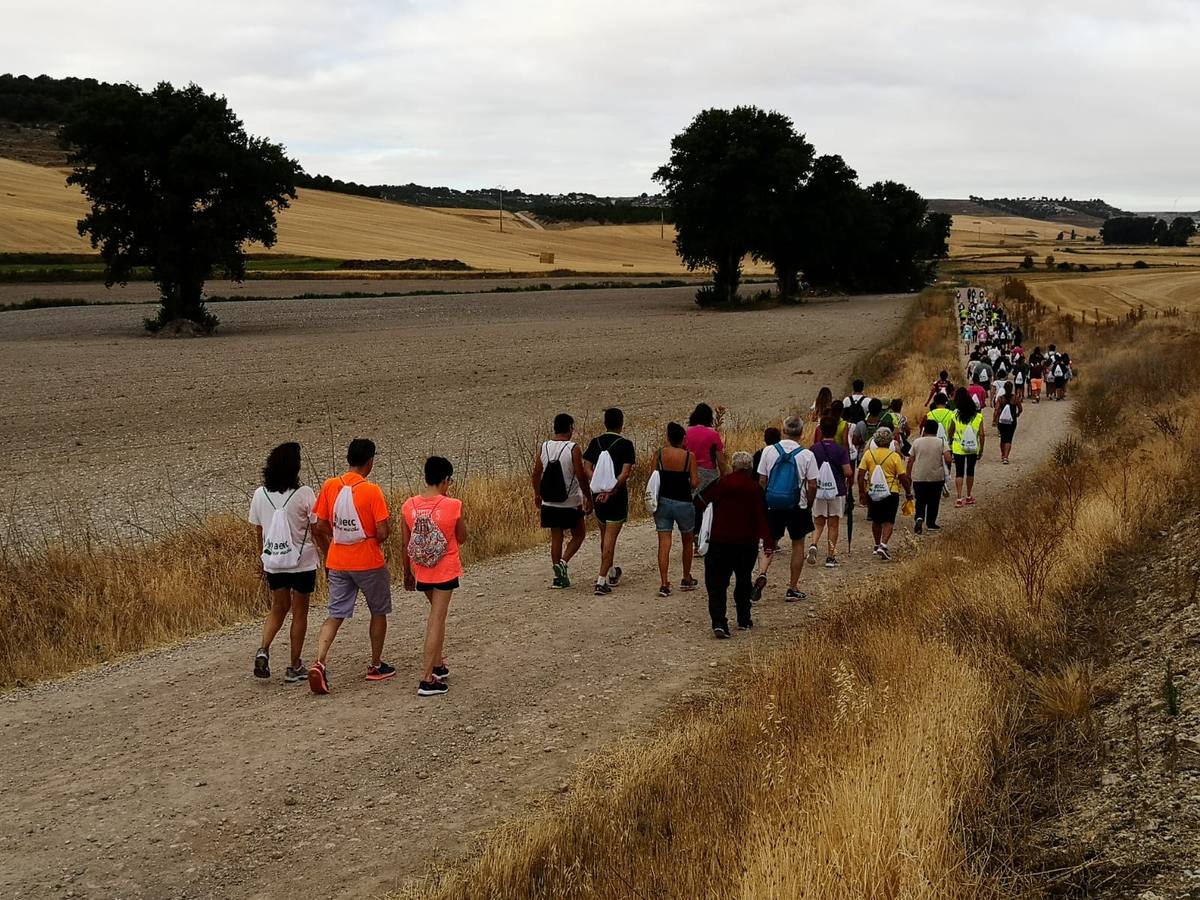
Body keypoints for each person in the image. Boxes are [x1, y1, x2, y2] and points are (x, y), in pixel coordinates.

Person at [308, 438, 393, 695]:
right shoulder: (371, 491)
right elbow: (382, 531)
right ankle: (375, 665)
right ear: (370, 462)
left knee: (335, 613)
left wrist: (338, 535)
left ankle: (319, 661)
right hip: (368, 560)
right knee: (378, 611)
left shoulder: (330, 485)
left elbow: (319, 523)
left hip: (337, 560)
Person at [248, 442, 318, 683]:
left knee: (278, 607)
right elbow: (316, 527)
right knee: (300, 612)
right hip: (302, 562)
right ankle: (295, 665)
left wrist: (262, 558)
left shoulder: (260, 494)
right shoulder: (305, 493)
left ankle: (263, 649)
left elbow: (259, 531)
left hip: (274, 561)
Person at [401, 456, 467, 697]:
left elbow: (405, 544)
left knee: (436, 616)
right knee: (436, 620)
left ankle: (438, 664)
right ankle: (427, 678)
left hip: (421, 569)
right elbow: (462, 538)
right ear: (445, 480)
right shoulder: (453, 505)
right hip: (445, 569)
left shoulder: (408, 505)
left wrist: (407, 573)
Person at [702, 451, 774, 638]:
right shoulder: (755, 489)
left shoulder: (722, 483)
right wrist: (768, 541)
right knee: (743, 579)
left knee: (717, 583)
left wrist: (698, 530)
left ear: (733, 467)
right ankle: (743, 618)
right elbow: (762, 516)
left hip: (720, 541)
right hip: (746, 543)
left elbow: (701, 501)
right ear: (750, 469)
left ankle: (719, 622)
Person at [756, 416, 818, 601]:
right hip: (797, 504)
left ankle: (762, 572)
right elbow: (812, 484)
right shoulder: (807, 455)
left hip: (773, 503)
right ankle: (792, 587)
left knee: (770, 541)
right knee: (798, 544)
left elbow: (762, 480)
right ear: (802, 433)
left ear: (783, 431)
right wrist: (809, 503)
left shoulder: (769, 451)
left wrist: (765, 499)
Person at [532, 413, 591, 589]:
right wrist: (587, 496)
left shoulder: (544, 447)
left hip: (549, 502)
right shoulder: (573, 448)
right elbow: (580, 475)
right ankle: (563, 563)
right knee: (579, 534)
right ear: (570, 428)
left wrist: (537, 494)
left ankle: (558, 578)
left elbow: (536, 474)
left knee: (556, 537)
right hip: (571, 502)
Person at [583, 408, 636, 596]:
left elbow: (587, 468)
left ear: (605, 423)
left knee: (604, 535)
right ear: (621, 424)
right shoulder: (626, 445)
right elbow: (625, 473)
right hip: (617, 497)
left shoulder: (595, 442)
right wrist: (611, 489)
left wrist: (599, 484)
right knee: (610, 539)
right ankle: (601, 580)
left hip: (598, 496)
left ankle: (612, 571)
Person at [653, 422, 700, 597]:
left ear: (668, 438)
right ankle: (686, 577)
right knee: (687, 540)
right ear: (683, 439)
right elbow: (694, 482)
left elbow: (653, 477)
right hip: (683, 502)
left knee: (664, 542)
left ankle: (664, 582)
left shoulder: (659, 454)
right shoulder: (689, 457)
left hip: (663, 502)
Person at [857, 428, 911, 561]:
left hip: (873, 490)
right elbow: (902, 476)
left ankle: (876, 544)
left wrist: (862, 491)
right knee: (889, 520)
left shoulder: (869, 454)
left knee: (876, 519)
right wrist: (908, 492)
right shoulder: (894, 456)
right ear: (889, 442)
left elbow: (861, 474)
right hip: (891, 491)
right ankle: (883, 544)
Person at [809, 413, 853, 568]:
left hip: (819, 490)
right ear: (835, 431)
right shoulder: (840, 450)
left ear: (820, 430)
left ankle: (814, 543)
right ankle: (830, 556)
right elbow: (848, 471)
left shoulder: (814, 449)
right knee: (833, 524)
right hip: (837, 490)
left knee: (819, 521)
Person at [907, 420, 952, 534]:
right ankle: (931, 523)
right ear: (936, 430)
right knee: (934, 501)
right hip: (936, 477)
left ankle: (919, 517)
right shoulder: (941, 442)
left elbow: (911, 460)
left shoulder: (917, 442)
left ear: (924, 429)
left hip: (919, 476)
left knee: (920, 500)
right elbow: (948, 459)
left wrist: (908, 474)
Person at [949, 388, 986, 508]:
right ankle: (969, 495)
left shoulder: (955, 415)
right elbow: (982, 435)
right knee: (970, 471)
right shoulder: (978, 416)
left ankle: (959, 498)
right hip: (973, 447)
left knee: (959, 472)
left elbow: (951, 431)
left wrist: (950, 442)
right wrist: (981, 449)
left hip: (958, 447)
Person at [684, 402, 728, 499]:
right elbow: (721, 461)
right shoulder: (713, 434)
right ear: (709, 418)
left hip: (690, 473)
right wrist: (724, 477)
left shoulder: (687, 433)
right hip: (709, 475)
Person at [993, 386, 1023, 464]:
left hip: (1002, 421)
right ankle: (1006, 457)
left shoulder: (1001, 398)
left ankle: (1003, 454)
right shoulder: (1015, 398)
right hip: (1012, 421)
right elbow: (1020, 408)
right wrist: (1017, 414)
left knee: (1003, 438)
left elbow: (996, 409)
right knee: (1009, 438)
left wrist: (994, 420)